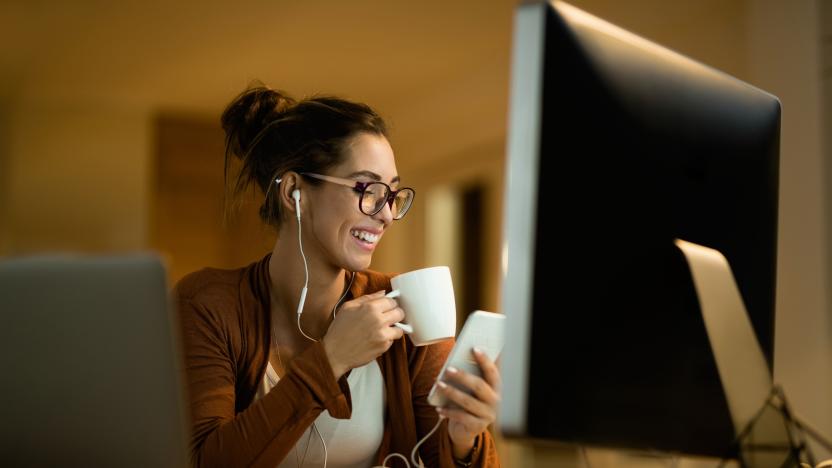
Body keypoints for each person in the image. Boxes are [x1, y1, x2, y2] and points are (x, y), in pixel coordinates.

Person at [175, 85, 502, 468]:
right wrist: (330, 360)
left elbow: (436, 454)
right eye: (368, 189)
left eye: (392, 195)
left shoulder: (406, 306)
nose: (385, 214)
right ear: (295, 191)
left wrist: (465, 438)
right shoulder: (209, 304)